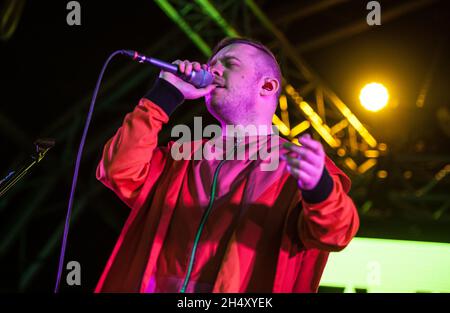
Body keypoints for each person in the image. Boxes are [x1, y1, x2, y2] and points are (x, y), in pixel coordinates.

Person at [94, 37, 359, 293]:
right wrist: (164, 94)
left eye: (229, 63)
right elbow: (118, 170)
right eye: (212, 63)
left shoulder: (293, 165)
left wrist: (319, 189)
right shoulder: (182, 156)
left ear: (267, 86)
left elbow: (335, 234)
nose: (212, 69)